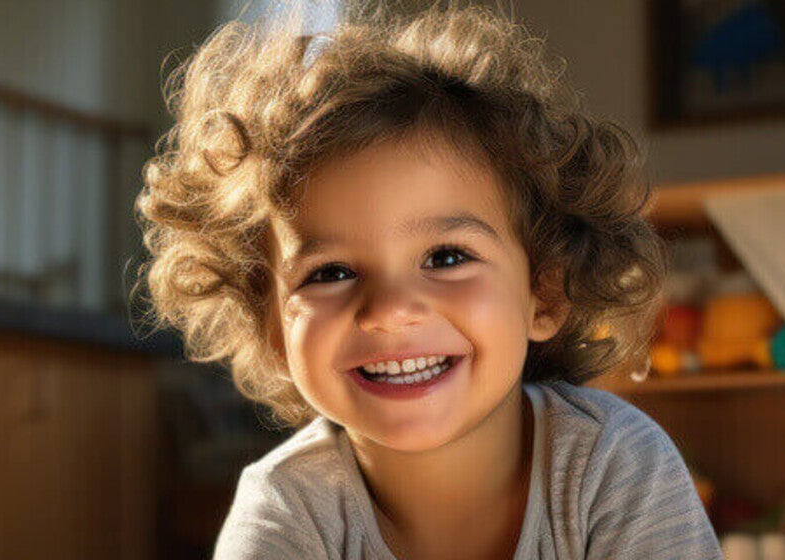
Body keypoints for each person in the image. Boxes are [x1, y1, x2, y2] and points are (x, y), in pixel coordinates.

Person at [137, 5, 722, 559]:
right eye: (331, 273)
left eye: (445, 258)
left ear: (543, 292)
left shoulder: (614, 466)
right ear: (271, 327)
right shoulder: (285, 512)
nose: (390, 310)